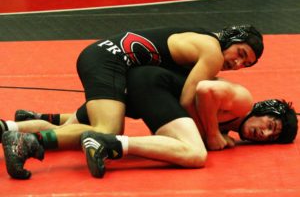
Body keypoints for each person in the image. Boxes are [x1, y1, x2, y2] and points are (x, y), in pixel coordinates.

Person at [1, 66, 297, 179]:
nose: (265, 133)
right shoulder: (241, 100)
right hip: (154, 86)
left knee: (82, 124)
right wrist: (210, 134)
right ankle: (109, 145)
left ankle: (15, 128)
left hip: (147, 86)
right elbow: (207, 90)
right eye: (271, 124)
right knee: (194, 154)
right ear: (262, 108)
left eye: (272, 136)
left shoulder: (228, 127)